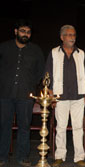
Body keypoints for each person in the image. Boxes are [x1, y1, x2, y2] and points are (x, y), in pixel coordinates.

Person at [0, 19, 45, 167]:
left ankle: (22, 157)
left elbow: (40, 71)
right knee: (3, 126)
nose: (25, 34)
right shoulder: (4, 47)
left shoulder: (36, 50)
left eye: (28, 32)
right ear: (15, 32)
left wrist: (32, 85)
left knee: (24, 127)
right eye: (22, 31)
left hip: (26, 96)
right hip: (4, 94)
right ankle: (2, 157)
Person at [45, 25, 85, 167]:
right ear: (62, 37)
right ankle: (60, 156)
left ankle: (79, 157)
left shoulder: (81, 53)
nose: (72, 37)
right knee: (61, 127)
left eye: (74, 35)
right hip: (60, 96)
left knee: (78, 128)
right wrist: (51, 93)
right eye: (69, 35)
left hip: (78, 96)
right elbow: (48, 74)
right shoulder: (54, 52)